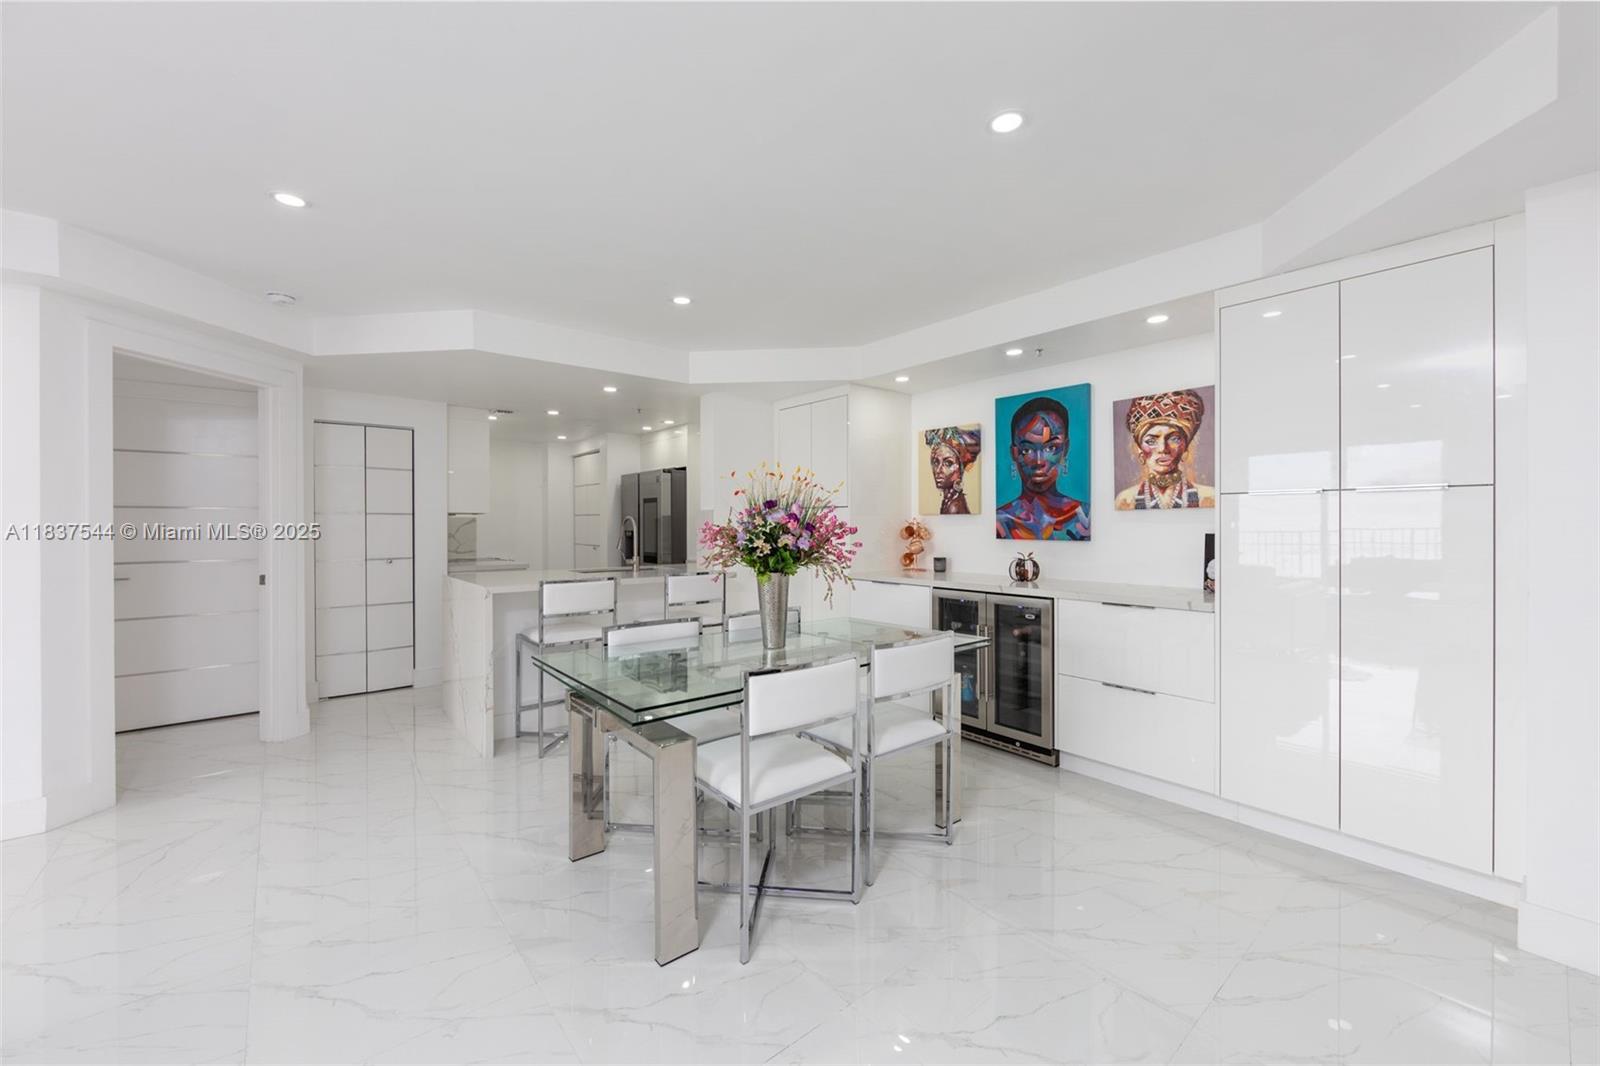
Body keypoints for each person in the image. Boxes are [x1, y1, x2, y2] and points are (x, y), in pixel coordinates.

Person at [995, 396, 1089, 540]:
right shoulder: (1000, 522)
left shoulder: (1086, 516)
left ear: (1065, 449)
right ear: (1014, 453)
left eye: (1051, 448)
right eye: (1027, 450)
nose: (1039, 461)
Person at [1114, 389, 1216, 510]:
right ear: (1140, 449)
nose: (1163, 449)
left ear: (1185, 447)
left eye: (1174, 439)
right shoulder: (1126, 500)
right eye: (1151, 441)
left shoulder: (1208, 498)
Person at [924, 426, 980, 514]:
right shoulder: (950, 501)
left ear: (960, 469)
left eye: (948, 463)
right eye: (936, 462)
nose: (938, 470)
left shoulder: (955, 507)